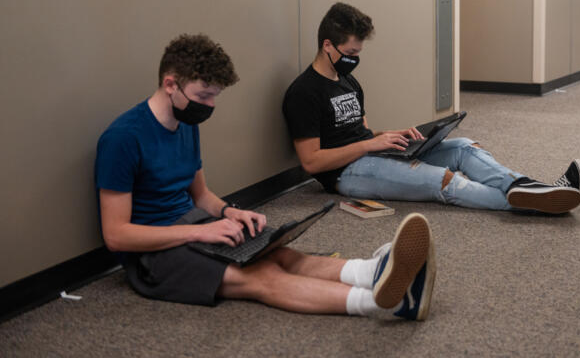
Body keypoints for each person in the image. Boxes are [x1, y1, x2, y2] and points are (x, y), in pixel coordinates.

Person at [96, 33, 435, 320]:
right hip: (155, 256)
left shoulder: (185, 123)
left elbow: (201, 197)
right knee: (261, 275)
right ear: (171, 84)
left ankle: (374, 272)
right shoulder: (123, 138)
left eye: (215, 96)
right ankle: (384, 303)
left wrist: (230, 213)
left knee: (278, 253)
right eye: (204, 96)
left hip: (195, 226)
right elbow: (117, 236)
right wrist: (200, 231)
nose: (210, 105)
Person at [282, 3, 580, 215]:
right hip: (347, 175)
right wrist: (369, 144)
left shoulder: (349, 81)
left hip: (371, 153)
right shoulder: (303, 92)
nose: (354, 59)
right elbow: (311, 162)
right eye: (350, 52)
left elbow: (359, 132)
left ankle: (529, 187)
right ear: (327, 46)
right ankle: (539, 200)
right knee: (444, 179)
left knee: (464, 148)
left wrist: (388, 135)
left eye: (358, 52)